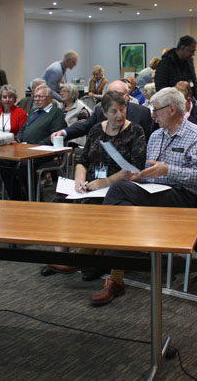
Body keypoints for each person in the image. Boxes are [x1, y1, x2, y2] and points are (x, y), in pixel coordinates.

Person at [93, 88, 197, 306]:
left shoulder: (196, 135)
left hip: (182, 196)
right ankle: (114, 272)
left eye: (156, 111)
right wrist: (139, 175)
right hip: (153, 191)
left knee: (118, 191)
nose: (153, 115)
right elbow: (151, 173)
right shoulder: (156, 135)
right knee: (123, 201)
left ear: (172, 109)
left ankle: (98, 255)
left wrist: (168, 170)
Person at [44, 91, 147, 277]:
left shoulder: (136, 131)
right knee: (60, 199)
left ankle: (96, 259)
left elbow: (135, 169)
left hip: (116, 184)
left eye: (122, 110)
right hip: (90, 184)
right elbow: (83, 161)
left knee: (95, 207)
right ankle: (61, 256)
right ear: (105, 113)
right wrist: (79, 179)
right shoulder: (97, 130)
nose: (119, 115)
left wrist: (105, 182)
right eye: (114, 112)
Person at [52, 80, 153, 144]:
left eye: (119, 94)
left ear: (127, 96)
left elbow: (149, 140)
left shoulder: (142, 113)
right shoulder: (100, 110)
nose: (115, 98)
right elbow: (84, 126)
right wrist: (64, 132)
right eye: (112, 94)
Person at [155, 35, 197, 99]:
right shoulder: (165, 63)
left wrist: (196, 101)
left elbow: (194, 85)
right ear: (182, 48)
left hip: (189, 103)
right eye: (191, 51)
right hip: (172, 104)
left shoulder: (189, 62)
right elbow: (161, 89)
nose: (193, 54)